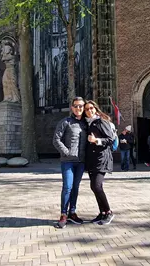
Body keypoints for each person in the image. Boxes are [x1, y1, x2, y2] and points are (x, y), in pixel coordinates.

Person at [52, 96, 88, 228]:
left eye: (81, 106)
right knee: (67, 187)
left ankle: (72, 212)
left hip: (81, 161)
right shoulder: (65, 122)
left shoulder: (86, 124)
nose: (79, 108)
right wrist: (67, 152)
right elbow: (56, 140)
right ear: (72, 107)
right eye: (76, 106)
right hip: (68, 161)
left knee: (76, 187)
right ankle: (63, 215)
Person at [84, 100, 116, 225]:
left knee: (96, 186)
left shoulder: (101, 121)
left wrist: (96, 140)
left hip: (102, 159)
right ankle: (102, 213)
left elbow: (110, 139)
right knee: (95, 187)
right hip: (92, 160)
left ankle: (109, 212)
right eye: (87, 109)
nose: (89, 110)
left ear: (96, 109)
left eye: (91, 108)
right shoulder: (88, 123)